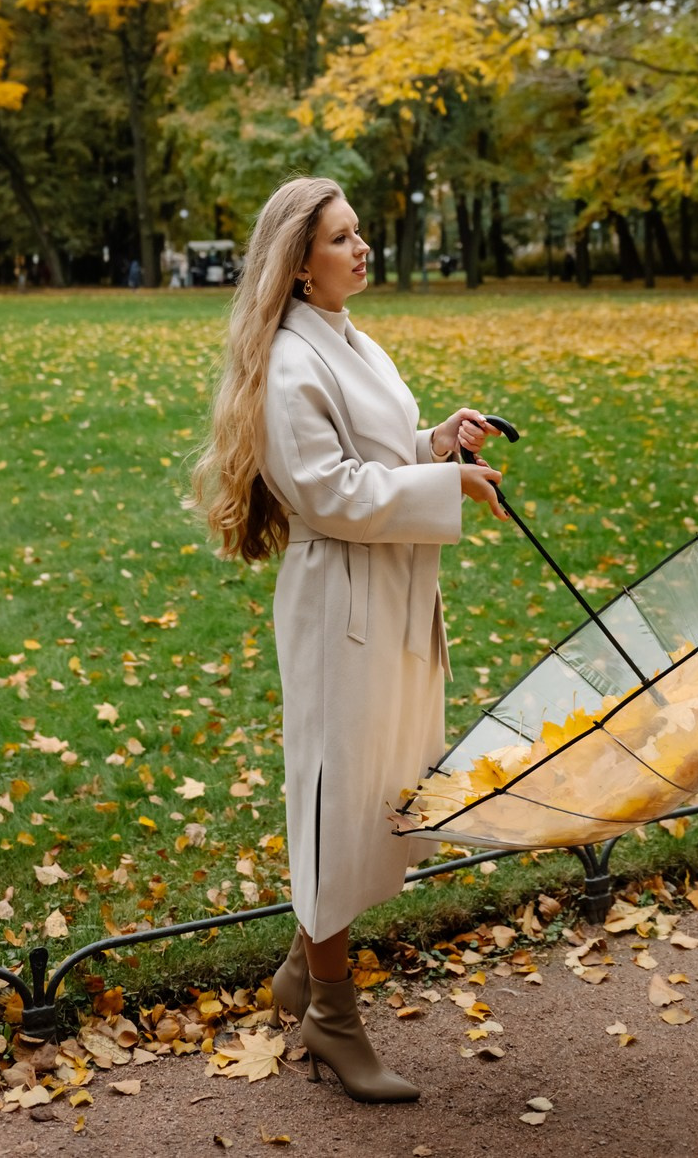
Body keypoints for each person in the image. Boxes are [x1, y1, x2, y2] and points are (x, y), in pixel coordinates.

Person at [192, 176, 506, 1103]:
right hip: (342, 609)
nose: (362, 247)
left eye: (360, 232)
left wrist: (435, 442)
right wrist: (446, 490)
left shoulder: (348, 337)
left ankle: (302, 960)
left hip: (391, 596)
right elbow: (326, 492)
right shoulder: (292, 363)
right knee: (337, 799)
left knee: (377, 791)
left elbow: (369, 455)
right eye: (341, 238)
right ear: (298, 269)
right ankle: (331, 1013)